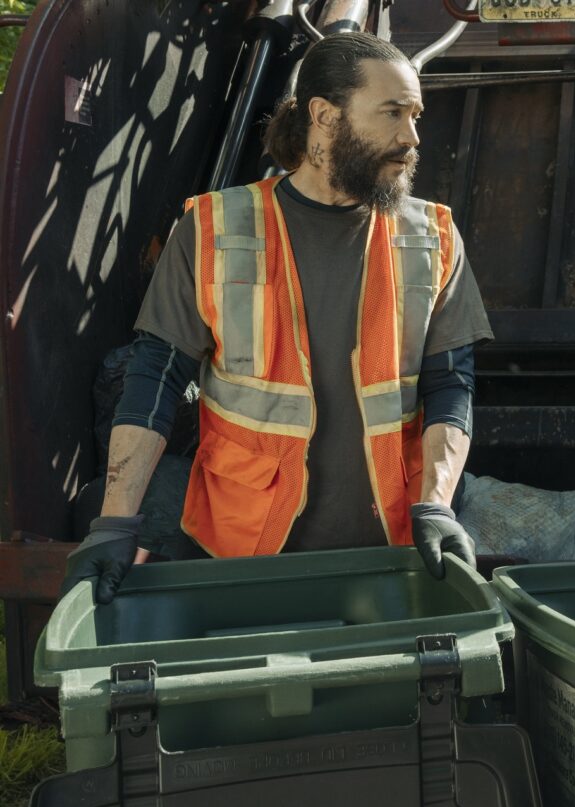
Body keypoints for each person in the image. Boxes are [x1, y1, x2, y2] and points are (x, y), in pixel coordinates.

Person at [61, 32, 492, 604]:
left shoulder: (433, 236)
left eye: (415, 116)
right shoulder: (213, 230)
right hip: (241, 554)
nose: (412, 138)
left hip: (394, 552)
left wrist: (436, 505)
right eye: (392, 113)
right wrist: (115, 523)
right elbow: (154, 381)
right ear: (324, 116)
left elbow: (450, 384)